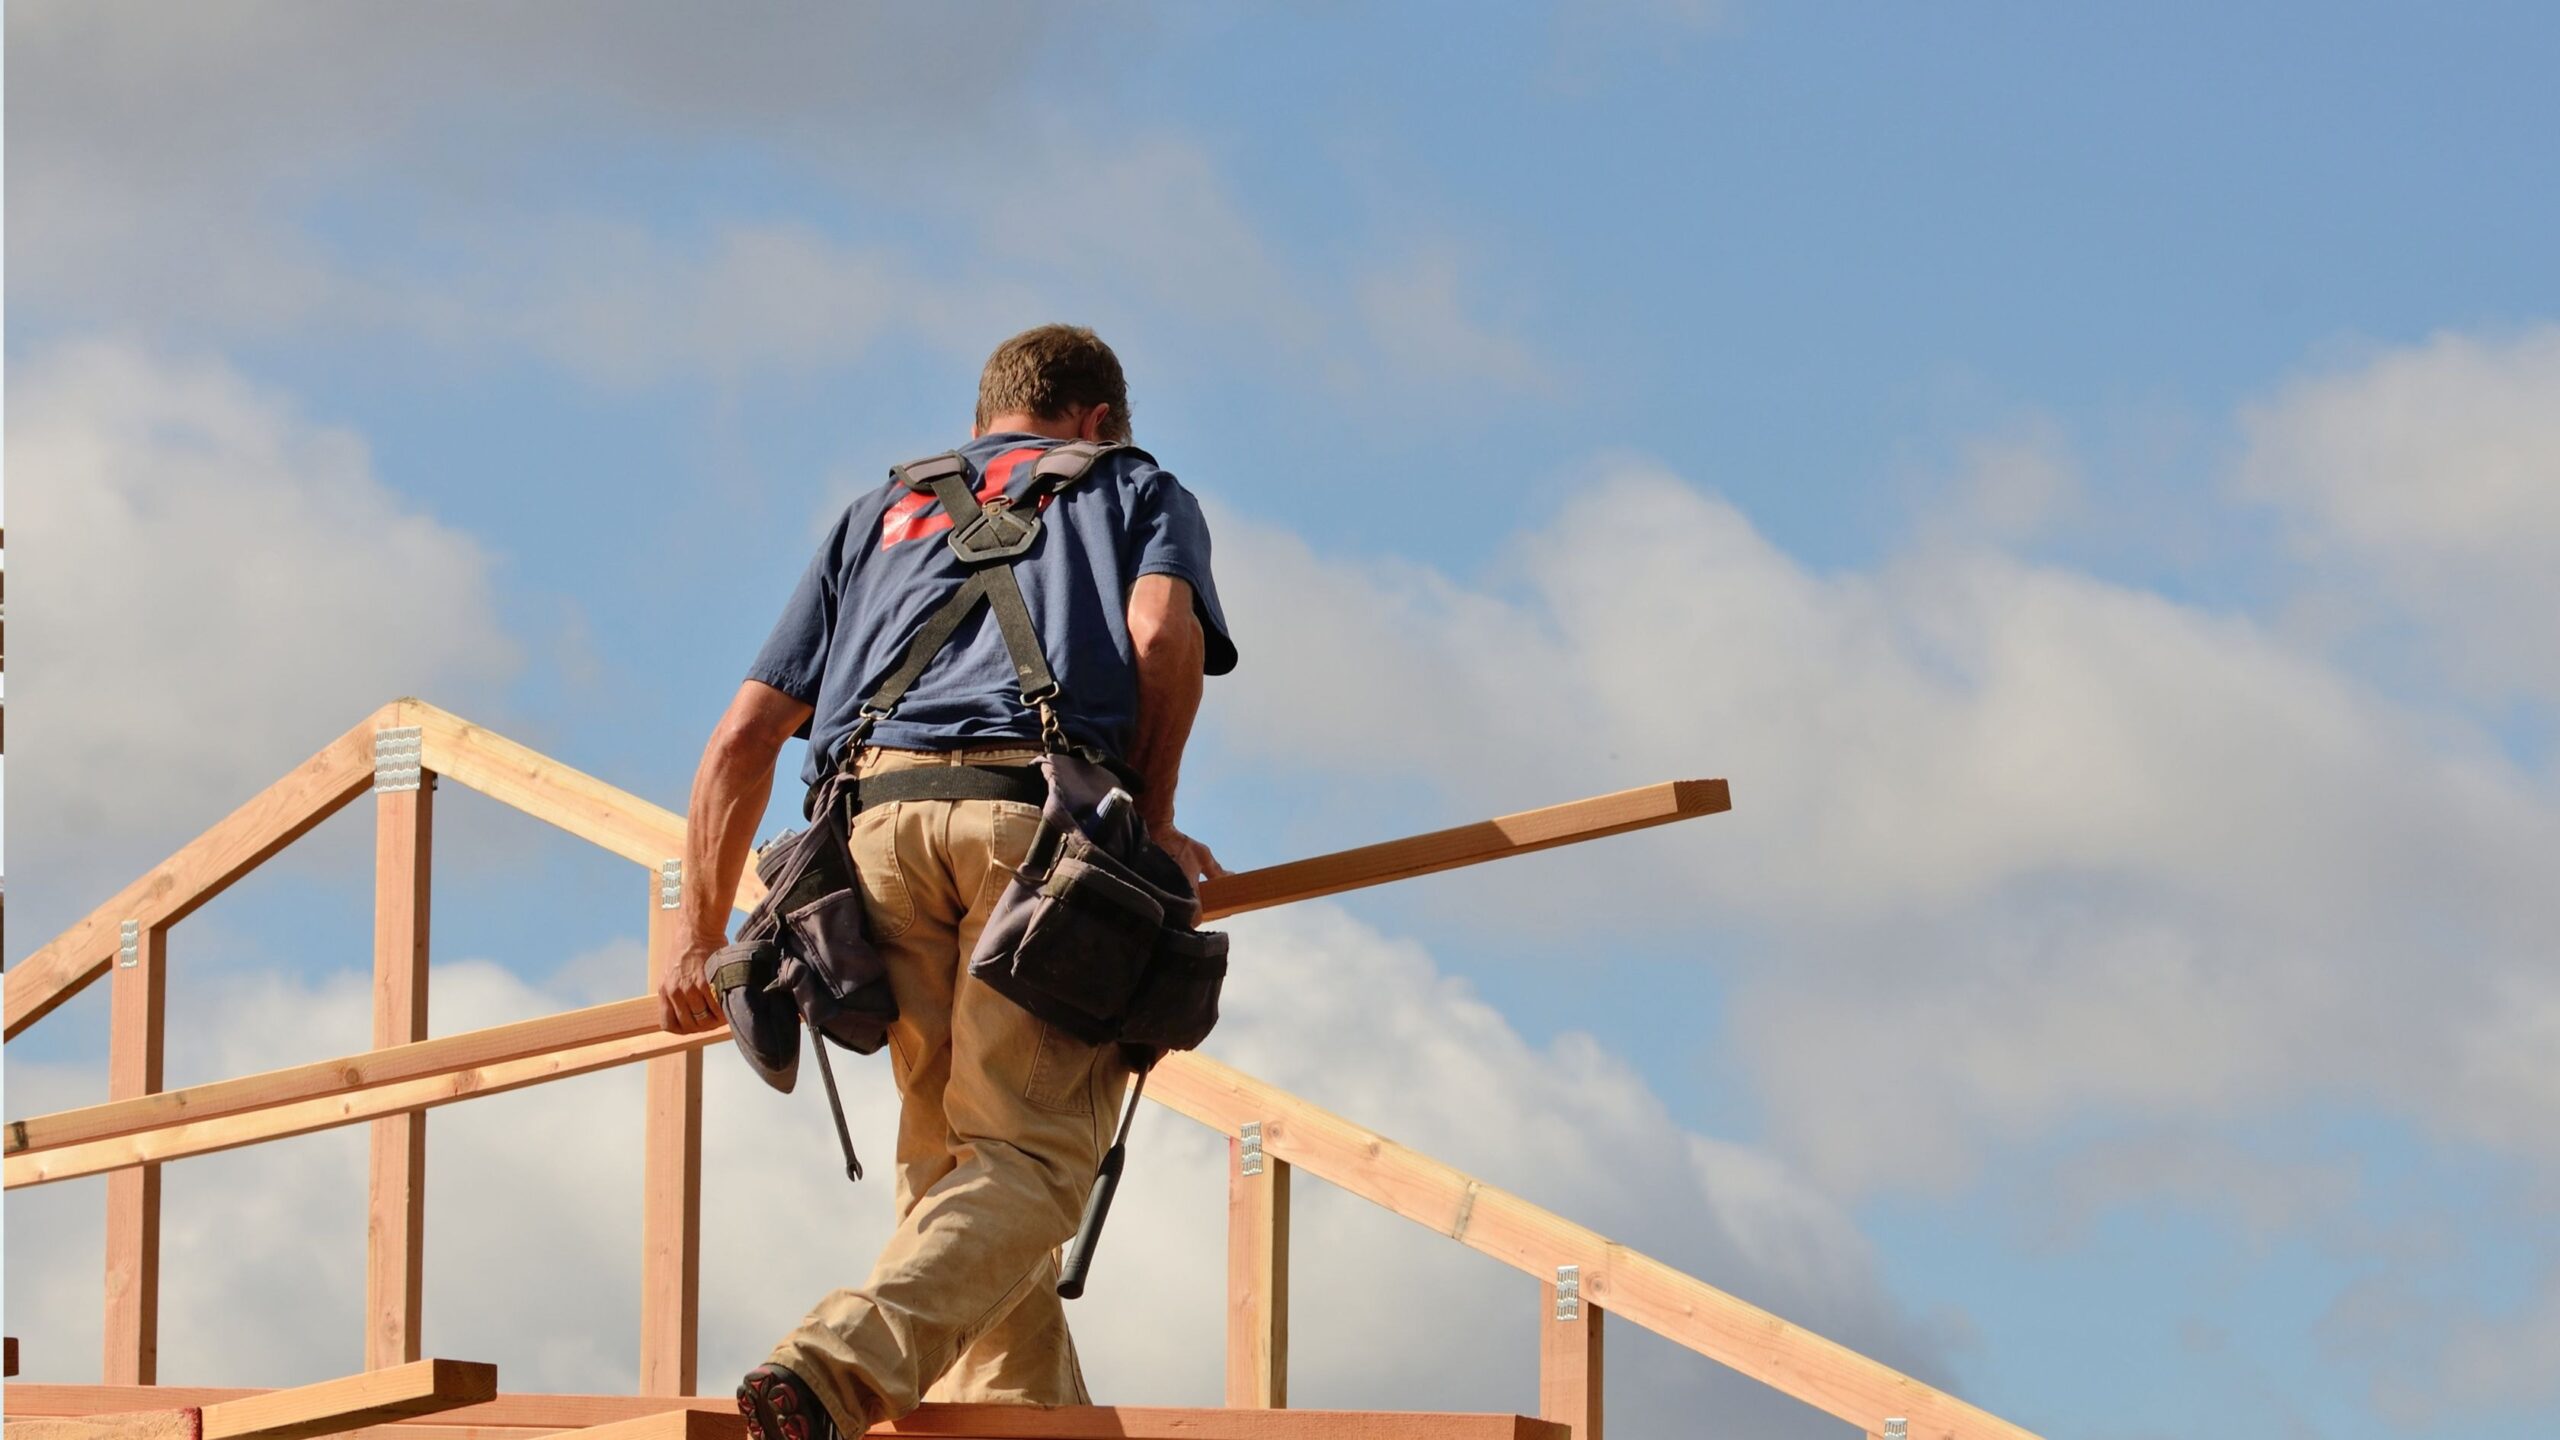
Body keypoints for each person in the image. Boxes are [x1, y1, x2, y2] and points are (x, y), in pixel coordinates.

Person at [654, 324, 1238, 1440]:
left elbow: (742, 739)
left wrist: (697, 936)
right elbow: (1161, 632)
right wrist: (1154, 822)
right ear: (1098, 419)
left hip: (867, 843)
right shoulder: (1135, 488)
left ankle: (1011, 1419)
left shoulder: (874, 514)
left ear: (984, 421)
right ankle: (836, 1362)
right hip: (1037, 838)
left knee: (956, 1173)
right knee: (1031, 1158)